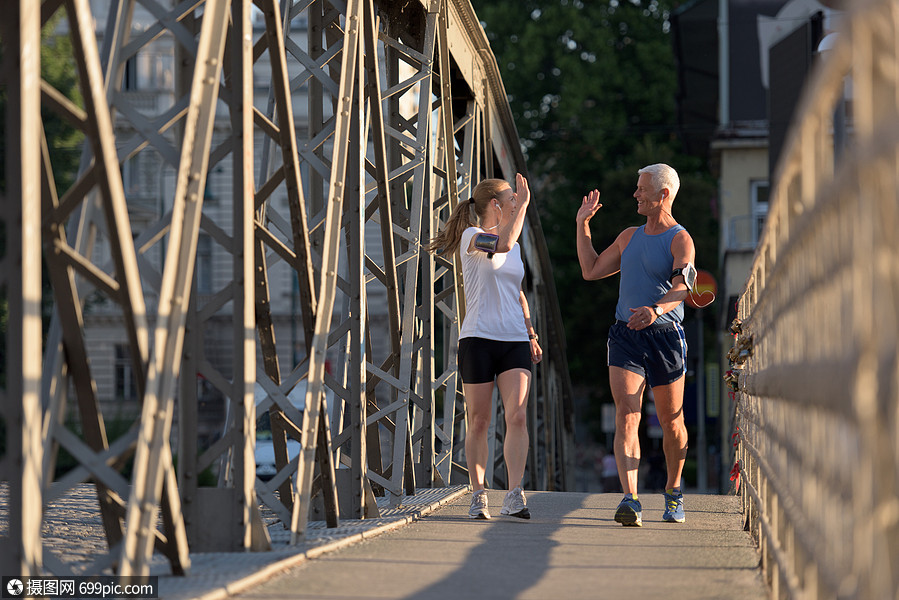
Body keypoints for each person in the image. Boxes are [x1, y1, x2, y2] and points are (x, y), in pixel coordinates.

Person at [575, 163, 694, 527]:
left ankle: (673, 492)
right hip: (626, 335)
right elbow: (591, 270)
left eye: (642, 189)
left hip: (665, 337)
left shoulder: (680, 239)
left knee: (672, 422)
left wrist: (656, 310)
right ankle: (630, 498)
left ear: (663, 194)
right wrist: (582, 225)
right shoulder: (628, 236)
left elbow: (684, 287)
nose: (635, 194)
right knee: (627, 413)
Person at [426, 173, 543, 520]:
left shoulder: (517, 246)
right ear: (496, 205)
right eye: (511, 199)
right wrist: (522, 206)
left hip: (515, 341)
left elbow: (517, 292)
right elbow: (502, 245)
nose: (515, 203)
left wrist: (532, 333)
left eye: (516, 201)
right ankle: (479, 493)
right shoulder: (472, 237)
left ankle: (514, 493)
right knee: (479, 420)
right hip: (478, 338)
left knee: (517, 415)